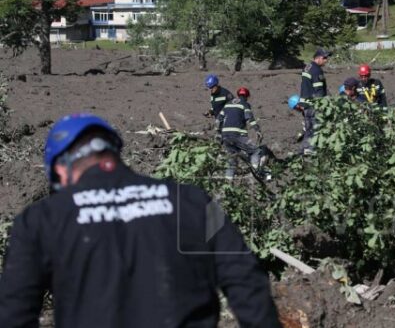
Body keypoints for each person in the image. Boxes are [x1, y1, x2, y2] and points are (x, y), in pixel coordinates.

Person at [0, 113, 280, 328]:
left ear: (61, 169)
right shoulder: (194, 201)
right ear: (114, 151)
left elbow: (13, 312)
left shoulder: (39, 220)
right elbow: (247, 280)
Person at [217, 87, 264, 180]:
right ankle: (256, 173)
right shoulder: (245, 104)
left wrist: (218, 133)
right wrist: (257, 130)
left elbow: (218, 119)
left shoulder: (227, 104)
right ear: (247, 96)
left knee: (231, 160)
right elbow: (250, 118)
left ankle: (227, 183)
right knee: (255, 151)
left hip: (225, 136)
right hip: (238, 135)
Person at [299, 48, 330, 155]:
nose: (326, 60)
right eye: (324, 58)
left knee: (308, 129)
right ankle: (312, 151)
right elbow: (319, 90)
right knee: (316, 128)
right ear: (318, 58)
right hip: (314, 105)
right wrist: (323, 105)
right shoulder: (317, 70)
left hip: (306, 104)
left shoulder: (307, 67)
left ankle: (303, 150)